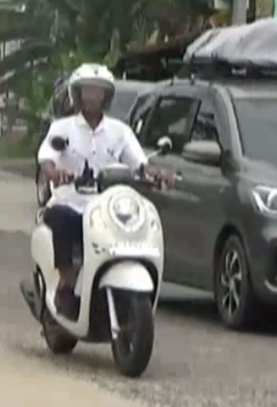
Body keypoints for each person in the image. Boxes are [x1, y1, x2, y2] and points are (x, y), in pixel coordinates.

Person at [36, 64, 175, 319]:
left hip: (107, 206)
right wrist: (55, 172)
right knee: (63, 218)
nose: (92, 96)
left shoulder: (119, 131)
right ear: (77, 95)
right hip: (71, 202)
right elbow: (47, 158)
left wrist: (158, 175)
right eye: (87, 91)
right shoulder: (62, 128)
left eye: (98, 92)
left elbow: (140, 163)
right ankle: (67, 286)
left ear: (106, 96)